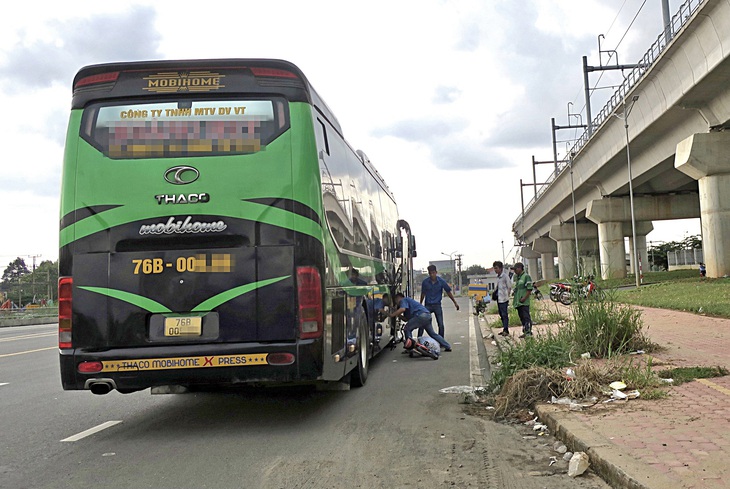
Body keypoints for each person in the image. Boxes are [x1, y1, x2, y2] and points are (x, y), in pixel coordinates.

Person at [385, 292, 451, 351]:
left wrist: (392, 315)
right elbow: (406, 319)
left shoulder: (404, 300)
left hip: (420, 316)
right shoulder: (408, 304)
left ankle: (410, 348)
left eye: (396, 301)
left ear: (398, 298)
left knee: (407, 329)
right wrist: (398, 315)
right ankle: (447, 346)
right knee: (432, 334)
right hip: (427, 315)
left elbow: (402, 309)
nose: (396, 303)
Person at [418, 265, 459, 339]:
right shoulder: (425, 282)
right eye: (430, 273)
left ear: (436, 272)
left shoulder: (441, 281)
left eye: (433, 273)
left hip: (437, 305)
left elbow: (448, 292)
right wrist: (420, 304)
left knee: (440, 324)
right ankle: (418, 338)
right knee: (423, 322)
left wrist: (455, 302)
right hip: (428, 305)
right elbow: (423, 294)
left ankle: (441, 340)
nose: (432, 275)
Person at [512, 262, 534, 338]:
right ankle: (525, 331)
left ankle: (528, 332)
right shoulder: (518, 278)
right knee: (521, 317)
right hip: (518, 302)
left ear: (519, 268)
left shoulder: (526, 276)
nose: (514, 271)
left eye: (515, 269)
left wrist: (524, 297)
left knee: (526, 317)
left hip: (524, 302)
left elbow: (529, 288)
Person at [493, 261, 513, 336]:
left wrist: (507, 295)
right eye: (494, 268)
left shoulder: (505, 277)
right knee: (501, 314)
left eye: (496, 268)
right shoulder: (498, 277)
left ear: (501, 268)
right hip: (499, 298)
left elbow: (509, 286)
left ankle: (506, 329)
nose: (495, 270)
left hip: (504, 299)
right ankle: (504, 328)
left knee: (504, 314)